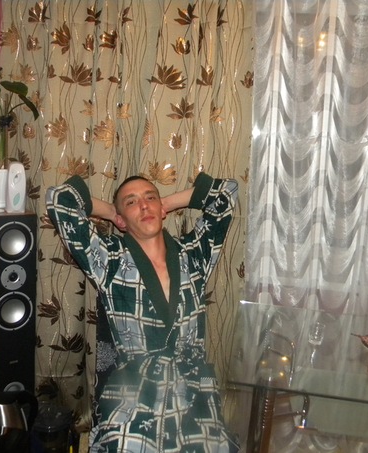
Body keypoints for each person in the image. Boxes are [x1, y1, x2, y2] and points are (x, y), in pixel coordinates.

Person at [45, 172, 239, 453]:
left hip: (193, 389)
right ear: (122, 221)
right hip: (134, 392)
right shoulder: (109, 260)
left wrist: (164, 204)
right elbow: (60, 200)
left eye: (150, 197)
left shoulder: (195, 255)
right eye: (132, 202)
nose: (144, 205)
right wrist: (112, 213)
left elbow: (226, 192)